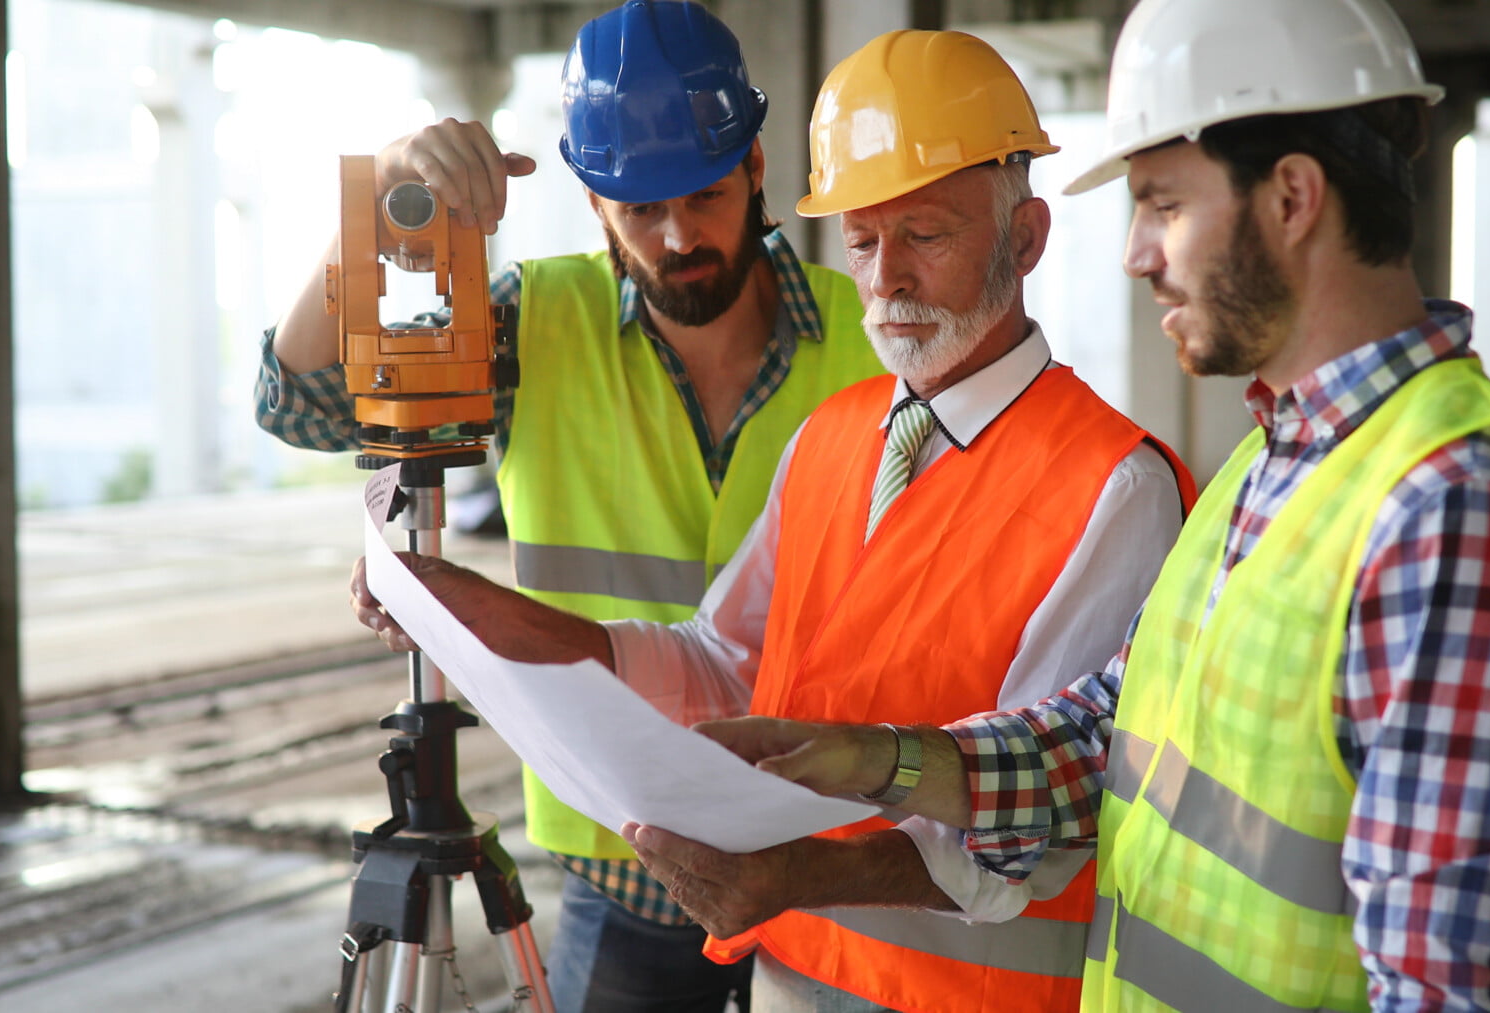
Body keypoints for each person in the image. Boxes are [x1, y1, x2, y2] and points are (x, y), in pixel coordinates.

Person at [674, 0, 1490, 1010]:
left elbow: (1447, 989)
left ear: (1292, 196)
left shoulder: (1457, 514)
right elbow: (1102, 746)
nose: (1134, 251)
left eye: (1162, 202)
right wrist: (872, 760)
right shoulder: (1274, 466)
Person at [352, 29, 1194, 1013]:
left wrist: (800, 876)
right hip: (791, 980)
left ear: (1028, 238)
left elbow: (1053, 812)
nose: (887, 281)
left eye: (926, 234)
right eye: (866, 241)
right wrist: (478, 611)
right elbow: (723, 663)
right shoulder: (833, 438)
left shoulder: (1113, 483)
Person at [257, 2, 885, 1009]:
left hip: (827, 857)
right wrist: (383, 201)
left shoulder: (876, 333)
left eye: (706, 194)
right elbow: (297, 401)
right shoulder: (529, 322)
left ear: (757, 168)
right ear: (594, 202)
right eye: (641, 208)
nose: (680, 234)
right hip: (622, 860)